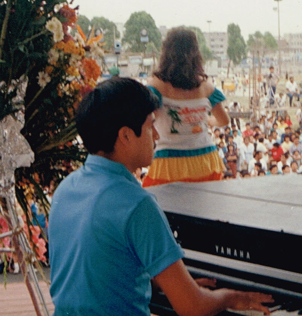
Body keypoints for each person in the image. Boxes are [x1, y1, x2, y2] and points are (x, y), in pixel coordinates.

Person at [49, 78, 273, 315]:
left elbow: (99, 274)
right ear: (125, 136)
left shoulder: (65, 190)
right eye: (149, 126)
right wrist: (230, 296)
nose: (156, 136)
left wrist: (173, 283)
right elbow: (192, 307)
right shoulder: (136, 204)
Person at [143, 28, 229, 187]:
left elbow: (145, 118)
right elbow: (224, 120)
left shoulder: (157, 85)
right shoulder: (206, 87)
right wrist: (206, 121)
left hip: (169, 160)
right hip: (206, 159)